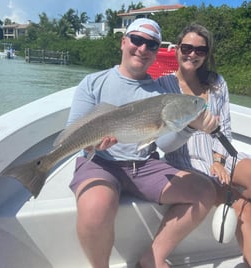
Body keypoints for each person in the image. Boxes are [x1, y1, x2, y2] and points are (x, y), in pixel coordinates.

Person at [67, 18, 218, 268]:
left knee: (204, 192)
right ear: (123, 42)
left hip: (144, 165)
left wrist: (190, 126)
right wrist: (92, 145)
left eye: (151, 44)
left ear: (157, 51)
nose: (143, 49)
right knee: (96, 207)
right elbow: (74, 133)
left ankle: (151, 259)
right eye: (137, 40)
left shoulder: (161, 92)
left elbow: (166, 144)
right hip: (101, 163)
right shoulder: (93, 83)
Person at [157, 23, 251, 267]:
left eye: (200, 50)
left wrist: (219, 161)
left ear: (207, 54)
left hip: (223, 155)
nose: (193, 54)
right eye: (187, 48)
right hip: (186, 160)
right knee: (243, 207)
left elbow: (226, 129)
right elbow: (162, 138)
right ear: (177, 49)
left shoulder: (217, 83)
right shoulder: (162, 86)